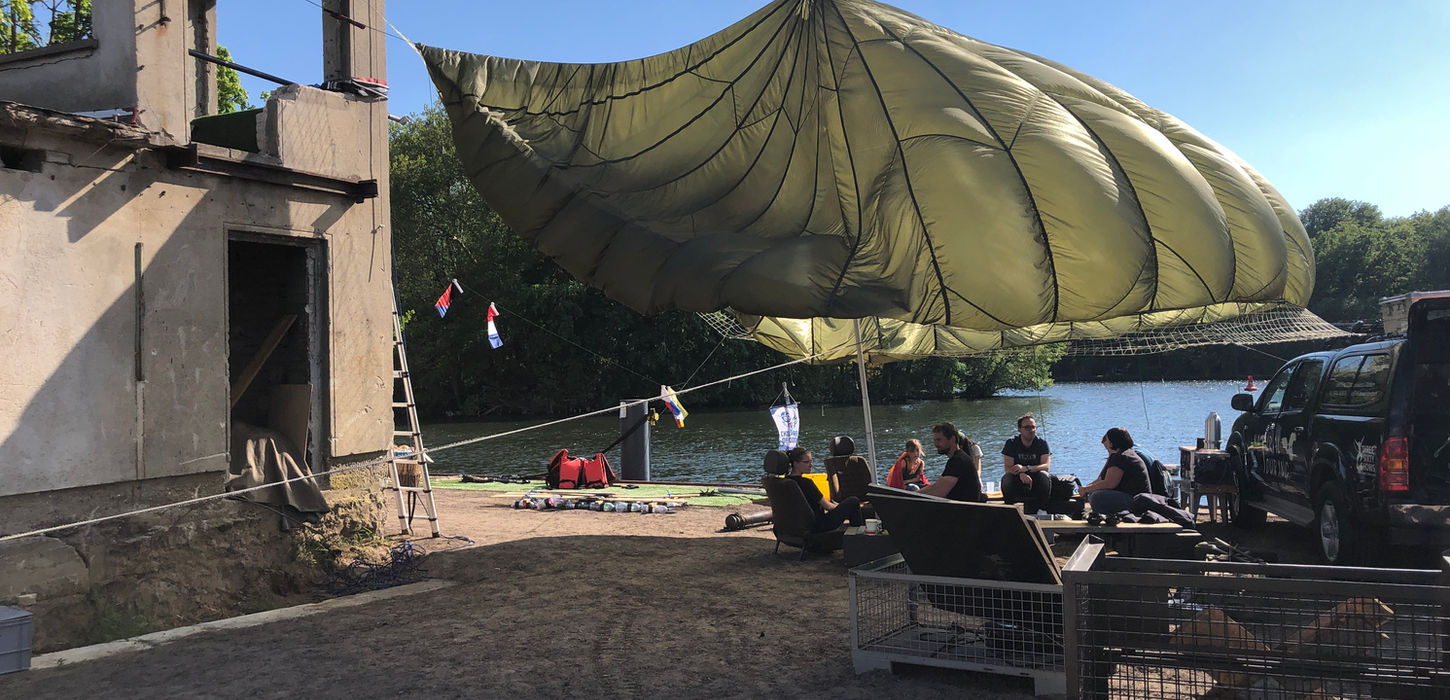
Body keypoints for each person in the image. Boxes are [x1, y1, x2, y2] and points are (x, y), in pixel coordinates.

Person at [784, 447, 864, 530]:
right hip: (817, 525)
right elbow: (828, 507)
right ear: (795, 463)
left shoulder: (785, 482)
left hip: (798, 525)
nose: (811, 465)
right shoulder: (806, 483)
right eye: (806, 462)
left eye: (811, 462)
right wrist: (841, 506)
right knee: (853, 501)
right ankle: (858, 535)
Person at [1078, 427, 1153, 515]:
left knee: (1097, 497)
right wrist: (1087, 488)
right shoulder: (1123, 454)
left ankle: (1103, 518)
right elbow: (1102, 479)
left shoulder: (1122, 457)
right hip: (1133, 498)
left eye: (1106, 440)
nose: (1103, 443)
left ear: (1112, 442)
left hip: (1137, 501)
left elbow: (1109, 483)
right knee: (1094, 492)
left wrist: (1086, 489)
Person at [919, 421, 985, 502]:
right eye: (935, 440)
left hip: (965, 510)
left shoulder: (958, 460)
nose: (935, 444)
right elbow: (936, 486)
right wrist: (912, 494)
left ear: (952, 439)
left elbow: (939, 493)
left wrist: (913, 500)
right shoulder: (957, 458)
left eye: (939, 440)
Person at [1001, 413, 1053, 514]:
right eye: (1027, 427)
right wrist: (1021, 473)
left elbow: (1046, 466)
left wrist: (1027, 468)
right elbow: (1007, 468)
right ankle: (1009, 509)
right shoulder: (1011, 443)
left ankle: (1042, 510)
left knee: (1044, 476)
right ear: (1019, 429)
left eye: (1033, 427)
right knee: (1006, 478)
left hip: (1035, 476)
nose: (1031, 430)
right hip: (1017, 477)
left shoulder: (1042, 443)